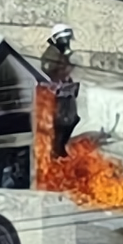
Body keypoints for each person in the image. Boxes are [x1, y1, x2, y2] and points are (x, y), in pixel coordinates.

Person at [40, 24, 81, 158]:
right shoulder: (52, 54)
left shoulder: (61, 53)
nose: (68, 43)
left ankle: (60, 147)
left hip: (66, 90)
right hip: (57, 93)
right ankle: (56, 150)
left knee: (72, 119)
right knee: (61, 122)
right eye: (66, 40)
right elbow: (48, 71)